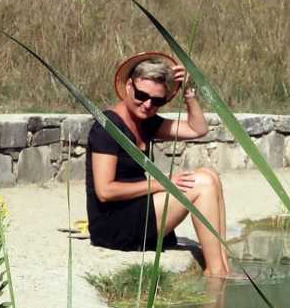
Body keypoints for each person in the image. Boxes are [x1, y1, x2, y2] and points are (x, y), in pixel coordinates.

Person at [85, 51, 231, 277]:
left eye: (157, 101)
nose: (147, 105)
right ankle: (217, 272)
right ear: (129, 86)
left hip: (139, 207)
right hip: (114, 224)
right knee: (202, 184)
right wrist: (163, 183)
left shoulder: (146, 122)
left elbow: (197, 130)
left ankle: (222, 267)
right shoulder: (107, 127)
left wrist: (189, 93)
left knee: (210, 175)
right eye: (142, 95)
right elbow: (105, 191)